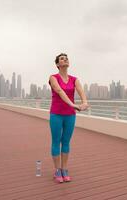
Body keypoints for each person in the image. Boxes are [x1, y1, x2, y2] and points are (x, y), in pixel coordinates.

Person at [48, 53, 89, 183]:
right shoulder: (53, 77)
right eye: (62, 59)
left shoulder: (74, 79)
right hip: (56, 114)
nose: (65, 60)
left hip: (70, 115)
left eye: (66, 58)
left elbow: (81, 91)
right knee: (56, 141)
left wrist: (84, 102)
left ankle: (65, 169)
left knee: (66, 142)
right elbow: (60, 91)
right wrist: (73, 105)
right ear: (57, 64)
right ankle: (57, 170)